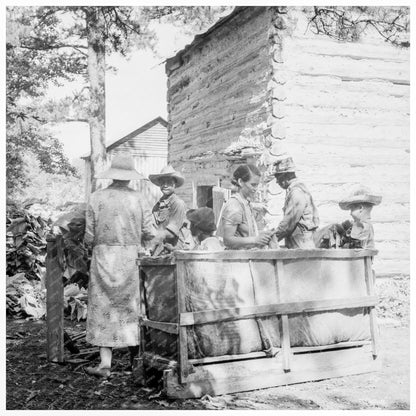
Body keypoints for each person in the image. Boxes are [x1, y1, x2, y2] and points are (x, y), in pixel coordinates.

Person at [84, 154, 155, 378]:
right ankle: (136, 362)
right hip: (130, 257)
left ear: (112, 175)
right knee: (132, 306)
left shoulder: (96, 197)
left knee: (103, 306)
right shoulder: (140, 199)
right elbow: (149, 232)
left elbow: (88, 236)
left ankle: (105, 364)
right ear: (130, 177)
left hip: (104, 257)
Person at [220, 164, 273, 249]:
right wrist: (255, 240)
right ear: (241, 182)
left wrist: (263, 236)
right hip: (238, 260)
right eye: (253, 185)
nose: (256, 189)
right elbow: (227, 240)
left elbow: (247, 234)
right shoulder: (234, 205)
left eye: (257, 185)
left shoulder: (246, 203)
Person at [273, 157, 319, 248]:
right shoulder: (297, 190)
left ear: (286, 176)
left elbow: (287, 224)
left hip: (300, 244)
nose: (277, 181)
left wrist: (271, 239)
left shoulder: (296, 193)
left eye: (278, 177)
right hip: (300, 242)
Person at [149, 165, 188, 253]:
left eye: (169, 182)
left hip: (176, 251)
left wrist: (154, 240)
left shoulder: (178, 204)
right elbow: (152, 228)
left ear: (174, 184)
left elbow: (171, 233)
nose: (165, 185)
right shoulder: (157, 206)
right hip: (160, 250)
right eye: (162, 182)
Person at [337, 184, 382, 249]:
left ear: (360, 208)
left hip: (361, 258)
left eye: (352, 209)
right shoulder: (367, 225)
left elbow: (356, 247)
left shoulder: (363, 226)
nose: (350, 213)